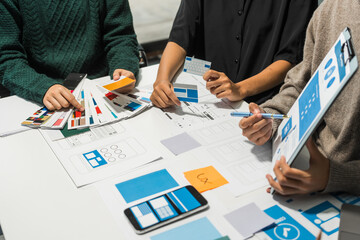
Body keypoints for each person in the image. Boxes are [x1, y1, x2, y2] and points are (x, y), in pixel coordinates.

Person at [240, 0, 360, 196]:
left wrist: (336, 175)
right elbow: (302, 82)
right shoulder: (329, 9)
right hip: (303, 171)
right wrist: (272, 116)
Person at [150, 0, 317, 108]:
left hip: (261, 105)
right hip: (206, 99)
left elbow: (290, 59)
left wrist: (240, 89)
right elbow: (180, 37)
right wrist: (162, 80)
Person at [0, 0, 139, 111]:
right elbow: (6, 57)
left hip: (102, 87)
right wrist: (41, 87)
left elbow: (121, 35)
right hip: (40, 97)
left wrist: (124, 65)